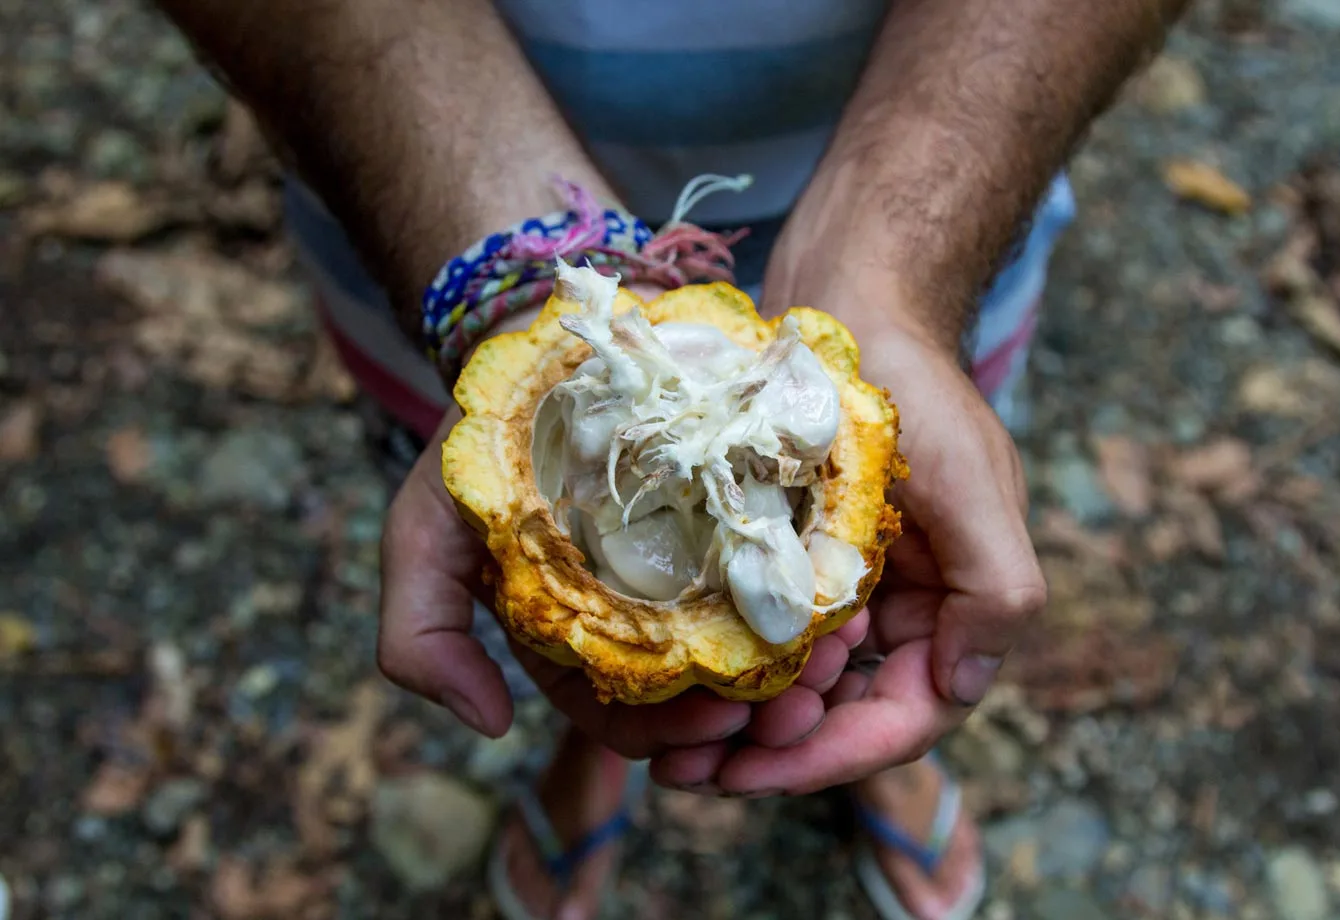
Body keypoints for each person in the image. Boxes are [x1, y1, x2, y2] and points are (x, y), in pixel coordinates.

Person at [154, 2, 1190, 917]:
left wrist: (894, 260)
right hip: (433, 218)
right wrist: (510, 270)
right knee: (551, 628)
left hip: (945, 223)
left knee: (919, 555)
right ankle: (596, 747)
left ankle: (859, 752)